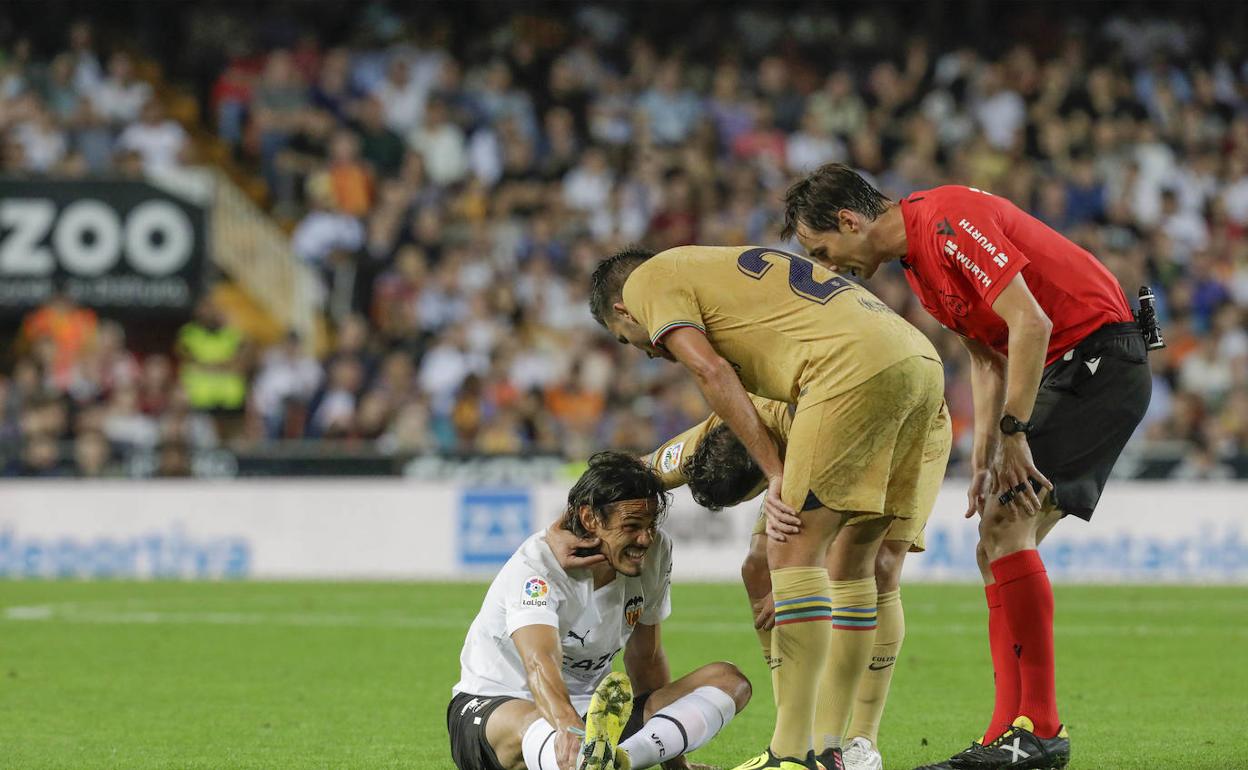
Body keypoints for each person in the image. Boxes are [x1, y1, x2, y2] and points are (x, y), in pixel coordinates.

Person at [782, 164, 1153, 770]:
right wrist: (984, 453)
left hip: (1094, 361)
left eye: (822, 250)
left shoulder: (947, 219)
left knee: (1007, 530)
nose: (828, 265)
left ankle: (1037, 732)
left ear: (850, 221)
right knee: (996, 542)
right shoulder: (920, 268)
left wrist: (1015, 432)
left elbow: (1031, 321)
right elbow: (988, 358)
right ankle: (1011, 733)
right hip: (1066, 367)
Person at [590, 246, 944, 770]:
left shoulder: (646, 284)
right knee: (813, 566)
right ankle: (827, 747)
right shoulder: (716, 292)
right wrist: (581, 505)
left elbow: (710, 373)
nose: (643, 351)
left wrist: (777, 475)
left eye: (627, 340)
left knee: (798, 550)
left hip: (851, 374)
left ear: (622, 310)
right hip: (917, 364)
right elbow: (643, 468)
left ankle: (801, 752)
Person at [643, 395, 951, 770]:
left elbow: (842, 545)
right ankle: (794, 735)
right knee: (757, 568)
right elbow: (645, 469)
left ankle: (853, 744)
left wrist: (800, 585)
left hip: (899, 431)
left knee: (876, 565)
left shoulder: (822, 433)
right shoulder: (718, 429)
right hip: (801, 448)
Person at [449, 452, 751, 770]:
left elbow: (645, 661)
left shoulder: (655, 553)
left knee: (728, 680)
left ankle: (617, 761)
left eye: (651, 525)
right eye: (632, 526)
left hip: (598, 718)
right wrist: (567, 727)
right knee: (535, 723)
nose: (645, 538)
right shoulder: (537, 566)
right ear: (591, 519)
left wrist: (675, 763)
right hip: (497, 710)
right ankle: (576, 756)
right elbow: (539, 662)